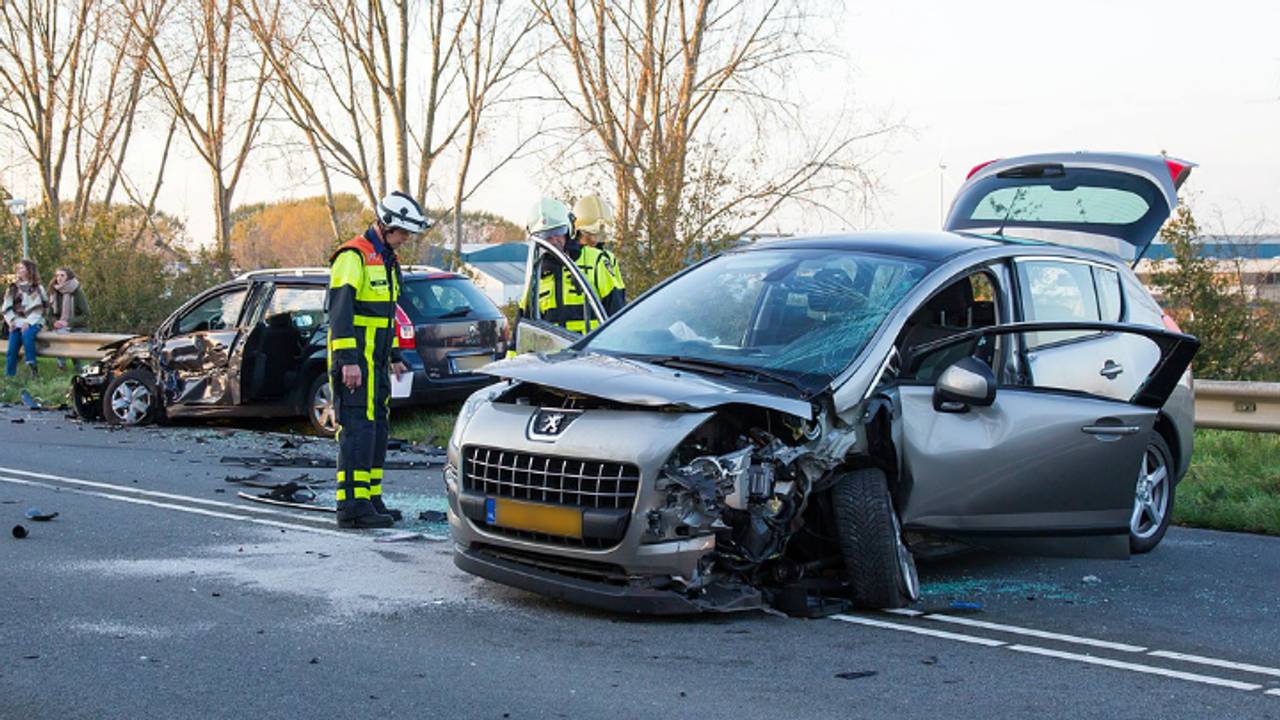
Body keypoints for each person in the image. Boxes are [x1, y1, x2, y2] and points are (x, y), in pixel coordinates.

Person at [327, 191, 430, 529]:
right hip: (356, 364)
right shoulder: (352, 256)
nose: (406, 239)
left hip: (377, 361)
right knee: (357, 429)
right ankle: (352, 507)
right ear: (386, 225)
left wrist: (396, 355)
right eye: (403, 232)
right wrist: (348, 361)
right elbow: (341, 314)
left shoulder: (386, 258)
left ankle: (370, 498)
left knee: (376, 428)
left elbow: (387, 314)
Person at [519, 197, 622, 335]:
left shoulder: (595, 261)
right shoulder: (536, 275)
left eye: (558, 232)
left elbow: (617, 312)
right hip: (552, 353)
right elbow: (523, 327)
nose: (554, 240)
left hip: (593, 352)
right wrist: (512, 355)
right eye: (547, 236)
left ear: (569, 229)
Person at [571, 193, 626, 312]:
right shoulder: (560, 259)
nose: (594, 240)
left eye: (599, 234)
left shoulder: (606, 259)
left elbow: (616, 304)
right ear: (577, 232)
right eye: (589, 234)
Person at [3, 259, 50, 378]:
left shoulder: (37, 288)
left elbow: (40, 309)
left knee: (27, 335)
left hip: (35, 320)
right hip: (17, 320)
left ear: (29, 271)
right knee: (12, 348)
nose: (19, 270)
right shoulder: (12, 288)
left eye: (22, 268)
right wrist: (11, 321)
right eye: (18, 268)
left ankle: (32, 368)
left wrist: (28, 322)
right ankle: (10, 376)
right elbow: (6, 306)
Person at [48, 267, 89, 371]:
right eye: (57, 275)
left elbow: (86, 315)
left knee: (69, 337)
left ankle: (78, 368)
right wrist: (55, 322)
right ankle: (61, 366)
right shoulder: (55, 292)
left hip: (77, 326)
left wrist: (67, 322)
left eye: (62, 275)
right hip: (61, 327)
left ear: (68, 277)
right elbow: (50, 315)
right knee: (60, 333)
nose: (59, 278)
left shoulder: (77, 292)